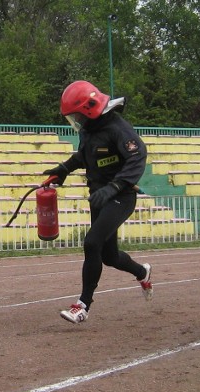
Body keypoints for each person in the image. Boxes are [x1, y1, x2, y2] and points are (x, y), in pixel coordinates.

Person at [43, 80, 152, 324]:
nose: (77, 121)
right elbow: (85, 155)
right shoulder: (90, 130)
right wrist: (63, 169)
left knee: (92, 242)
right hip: (98, 195)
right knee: (109, 256)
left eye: (78, 115)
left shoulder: (117, 128)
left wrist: (114, 187)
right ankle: (142, 272)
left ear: (90, 107)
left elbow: (137, 156)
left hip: (120, 196)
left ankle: (82, 306)